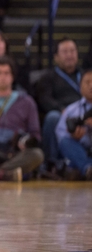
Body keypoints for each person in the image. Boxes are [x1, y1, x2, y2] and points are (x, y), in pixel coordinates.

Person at [35, 38, 82, 171]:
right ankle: (52, 162)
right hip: (62, 114)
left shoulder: (85, 76)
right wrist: (64, 111)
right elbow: (45, 99)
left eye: (72, 51)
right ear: (56, 57)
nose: (69, 55)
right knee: (52, 117)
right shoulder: (48, 77)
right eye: (65, 52)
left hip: (84, 113)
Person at [55, 70, 92, 180]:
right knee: (66, 142)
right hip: (79, 150)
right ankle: (87, 169)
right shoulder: (71, 110)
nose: (91, 86)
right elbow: (60, 136)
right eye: (87, 82)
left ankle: (81, 169)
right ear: (80, 87)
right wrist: (73, 136)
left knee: (73, 165)